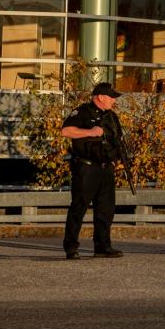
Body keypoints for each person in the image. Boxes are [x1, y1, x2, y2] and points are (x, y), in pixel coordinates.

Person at [61, 82, 126, 260]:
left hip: (106, 168)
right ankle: (71, 247)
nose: (113, 100)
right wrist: (90, 132)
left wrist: (117, 159)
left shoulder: (112, 117)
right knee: (79, 207)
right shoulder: (82, 112)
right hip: (86, 167)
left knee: (106, 210)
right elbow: (66, 131)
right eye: (111, 97)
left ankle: (102, 246)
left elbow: (118, 140)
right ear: (101, 97)